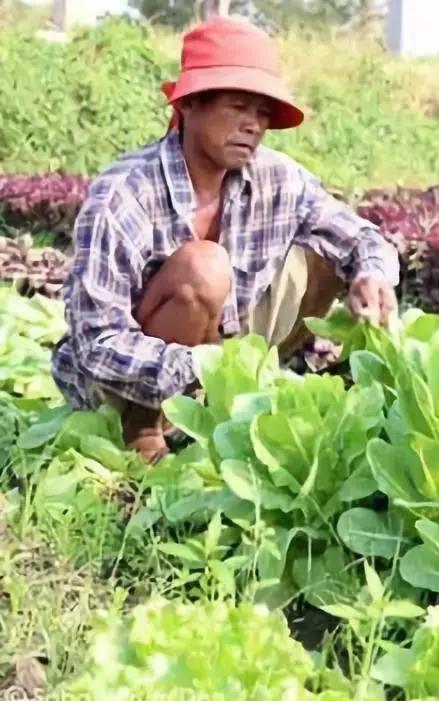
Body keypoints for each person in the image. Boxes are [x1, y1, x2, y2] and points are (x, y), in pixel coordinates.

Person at [51, 16, 401, 463]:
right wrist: (205, 367)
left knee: (332, 255)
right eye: (238, 107)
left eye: (262, 113)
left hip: (219, 353)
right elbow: (95, 342)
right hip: (123, 382)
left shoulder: (277, 178)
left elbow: (361, 237)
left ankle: (226, 404)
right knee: (204, 267)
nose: (253, 125)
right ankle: (142, 431)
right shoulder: (124, 194)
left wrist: (371, 274)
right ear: (191, 104)